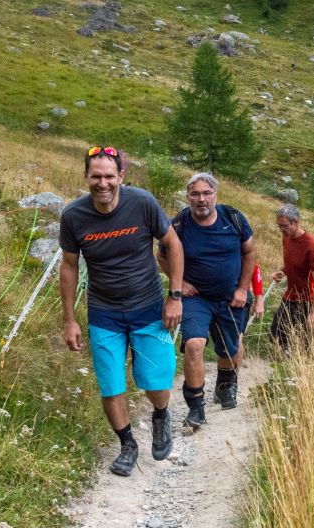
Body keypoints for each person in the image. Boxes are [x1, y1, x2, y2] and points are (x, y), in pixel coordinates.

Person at [59, 146, 184, 477]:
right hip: (104, 313)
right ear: (86, 176)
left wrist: (175, 296)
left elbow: (173, 244)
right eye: (96, 176)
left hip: (148, 308)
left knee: (155, 380)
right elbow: (69, 266)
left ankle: (160, 415)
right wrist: (70, 319)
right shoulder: (73, 216)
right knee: (111, 385)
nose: (103, 183)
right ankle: (127, 445)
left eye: (109, 176)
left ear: (121, 177)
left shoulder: (142, 202)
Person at [157, 172, 255, 428]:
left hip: (231, 296)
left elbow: (249, 251)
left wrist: (243, 289)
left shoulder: (233, 219)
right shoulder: (178, 224)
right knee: (194, 345)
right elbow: (162, 256)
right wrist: (180, 284)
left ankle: (225, 385)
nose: (201, 199)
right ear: (188, 197)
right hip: (196, 298)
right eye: (195, 194)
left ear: (215, 195)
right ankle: (196, 406)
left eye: (206, 193)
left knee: (230, 348)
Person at [270, 204, 314, 353]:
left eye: (284, 226)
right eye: (279, 226)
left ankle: (297, 369)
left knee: (302, 342)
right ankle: (284, 363)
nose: (281, 230)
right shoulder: (286, 237)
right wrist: (281, 271)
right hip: (290, 296)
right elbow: (292, 262)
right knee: (275, 334)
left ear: (295, 222)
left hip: (307, 300)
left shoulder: (311, 245)